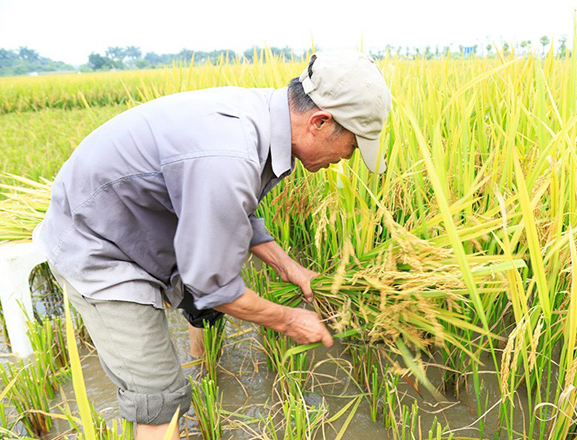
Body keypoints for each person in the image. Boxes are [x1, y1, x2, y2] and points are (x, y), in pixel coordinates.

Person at [33, 50, 391, 439]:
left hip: (144, 223)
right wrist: (289, 319)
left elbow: (233, 208)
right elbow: (213, 285)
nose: (346, 159)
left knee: (202, 298)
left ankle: (201, 366)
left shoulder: (259, 118)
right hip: (99, 244)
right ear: (320, 122)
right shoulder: (228, 154)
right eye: (353, 146)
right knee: (159, 397)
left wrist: (289, 267)